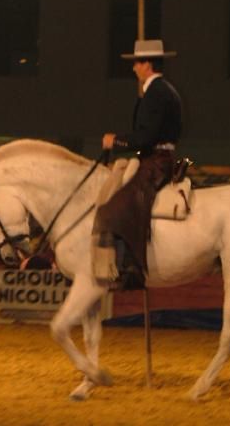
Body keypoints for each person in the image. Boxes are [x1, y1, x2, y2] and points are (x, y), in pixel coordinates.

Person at [93, 39, 182, 288]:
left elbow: (146, 136)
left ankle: (131, 266)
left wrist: (116, 141)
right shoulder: (163, 91)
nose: (133, 69)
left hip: (157, 160)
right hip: (154, 156)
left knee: (118, 205)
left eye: (136, 64)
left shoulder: (157, 93)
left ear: (147, 64)